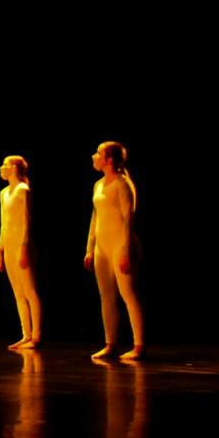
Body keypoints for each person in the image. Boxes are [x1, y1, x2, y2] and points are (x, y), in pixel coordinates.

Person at [84, 140, 144, 362]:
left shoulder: (123, 184)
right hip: (102, 246)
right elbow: (95, 217)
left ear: (109, 160)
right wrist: (89, 248)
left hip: (121, 244)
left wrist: (126, 250)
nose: (94, 156)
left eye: (98, 153)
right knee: (106, 296)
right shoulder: (98, 185)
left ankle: (139, 345)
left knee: (128, 294)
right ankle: (110, 343)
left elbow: (129, 217)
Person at [0, 155, 41, 350]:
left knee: (30, 290)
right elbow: (3, 224)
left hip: (22, 246)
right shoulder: (3, 193)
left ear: (14, 168)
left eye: (5, 165)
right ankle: (26, 334)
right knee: (18, 293)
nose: (1, 168)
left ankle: (37, 336)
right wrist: (0, 250)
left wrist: (23, 247)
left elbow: (26, 221)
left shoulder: (23, 190)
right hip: (9, 246)